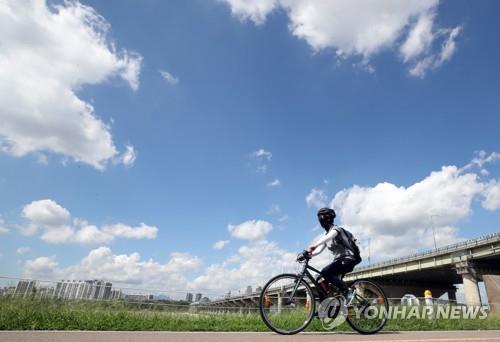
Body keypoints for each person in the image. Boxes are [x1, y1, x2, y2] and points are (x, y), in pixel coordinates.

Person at [307, 207, 361, 295]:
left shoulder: (336, 229)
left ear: (327, 219)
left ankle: (347, 291)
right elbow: (319, 250)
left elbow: (329, 237)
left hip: (348, 259)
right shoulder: (326, 235)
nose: (321, 221)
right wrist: (308, 255)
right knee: (319, 280)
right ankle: (330, 301)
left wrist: (314, 245)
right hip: (338, 261)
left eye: (322, 218)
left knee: (325, 271)